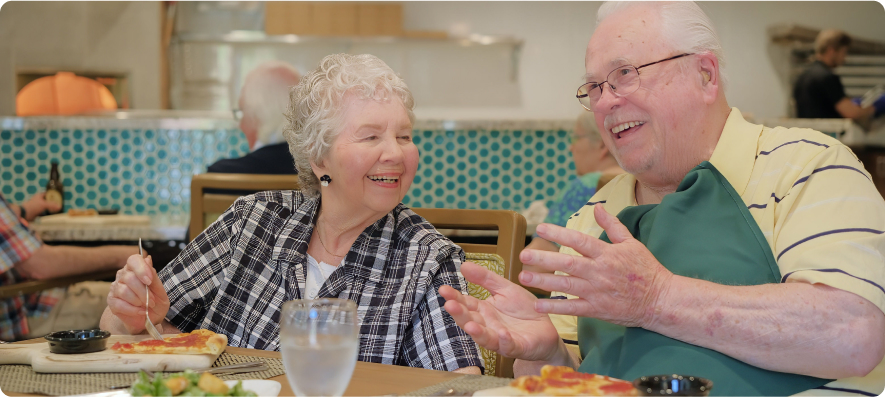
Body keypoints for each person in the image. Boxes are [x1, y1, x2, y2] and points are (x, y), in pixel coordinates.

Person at [440, 2, 885, 396]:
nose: (604, 102)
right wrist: (547, 353)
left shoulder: (805, 167)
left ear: (705, 75)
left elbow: (854, 334)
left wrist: (657, 299)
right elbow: (582, 379)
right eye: (593, 87)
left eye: (625, 75)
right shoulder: (592, 216)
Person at [101, 54, 483, 375]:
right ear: (319, 159)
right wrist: (134, 318)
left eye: (404, 136)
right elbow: (129, 326)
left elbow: (460, 384)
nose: (397, 154)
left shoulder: (428, 259)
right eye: (371, 136)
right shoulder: (251, 221)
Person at [0, 192, 136, 341]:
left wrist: (25, 209)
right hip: (25, 315)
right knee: (135, 303)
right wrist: (122, 256)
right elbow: (41, 265)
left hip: (29, 298)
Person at [524, 111, 623, 257]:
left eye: (575, 139)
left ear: (602, 145)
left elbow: (540, 255)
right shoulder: (640, 182)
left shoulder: (585, 186)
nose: (571, 148)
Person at [207, 61, 301, 175]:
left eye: (242, 112)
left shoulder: (222, 174)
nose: (240, 125)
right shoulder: (319, 174)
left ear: (256, 116)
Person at [793, 29, 885, 120]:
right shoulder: (827, 77)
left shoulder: (803, 76)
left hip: (807, 132)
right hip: (826, 133)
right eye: (843, 52)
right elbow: (851, 113)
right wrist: (875, 108)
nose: (844, 58)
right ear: (831, 51)